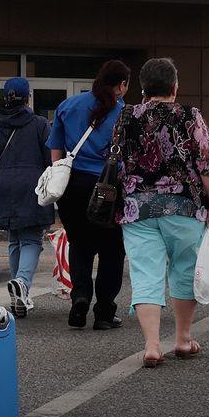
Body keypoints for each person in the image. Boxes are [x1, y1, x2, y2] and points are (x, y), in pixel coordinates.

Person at [107, 57, 209, 368]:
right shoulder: (190, 115)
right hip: (184, 206)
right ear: (174, 87)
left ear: (143, 88)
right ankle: (183, 339)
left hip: (136, 208)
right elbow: (207, 163)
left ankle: (152, 345)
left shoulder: (126, 115)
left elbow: (116, 158)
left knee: (146, 273)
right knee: (185, 268)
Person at [46, 59, 132, 329]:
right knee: (112, 250)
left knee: (80, 244)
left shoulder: (68, 105)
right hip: (110, 186)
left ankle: (80, 297)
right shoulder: (126, 114)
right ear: (121, 85)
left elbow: (56, 149)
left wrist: (59, 179)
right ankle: (105, 312)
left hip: (73, 185)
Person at [0, 75, 53, 317]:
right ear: (27, 98)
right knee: (31, 240)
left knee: (14, 240)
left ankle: (21, 292)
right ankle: (22, 284)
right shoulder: (39, 124)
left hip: (2, 187)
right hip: (31, 187)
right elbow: (51, 158)